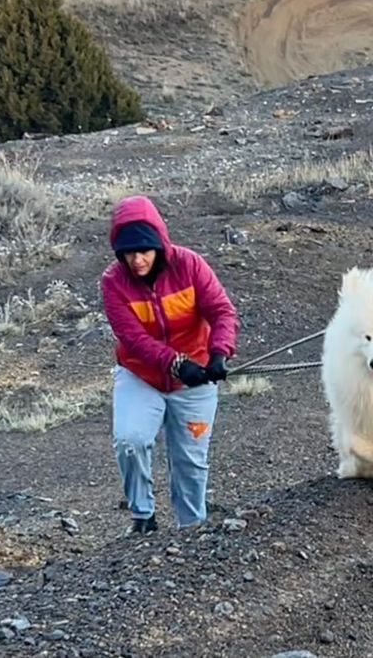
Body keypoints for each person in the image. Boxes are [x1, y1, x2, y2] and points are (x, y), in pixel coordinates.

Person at [101, 194, 239, 533]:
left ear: (159, 245)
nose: (137, 260)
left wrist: (219, 353)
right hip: (141, 375)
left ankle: (190, 530)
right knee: (130, 441)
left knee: (190, 461)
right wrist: (177, 364)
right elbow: (133, 338)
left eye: (144, 251)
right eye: (129, 253)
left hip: (196, 379)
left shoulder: (190, 265)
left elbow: (222, 311)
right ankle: (143, 518)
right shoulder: (113, 282)